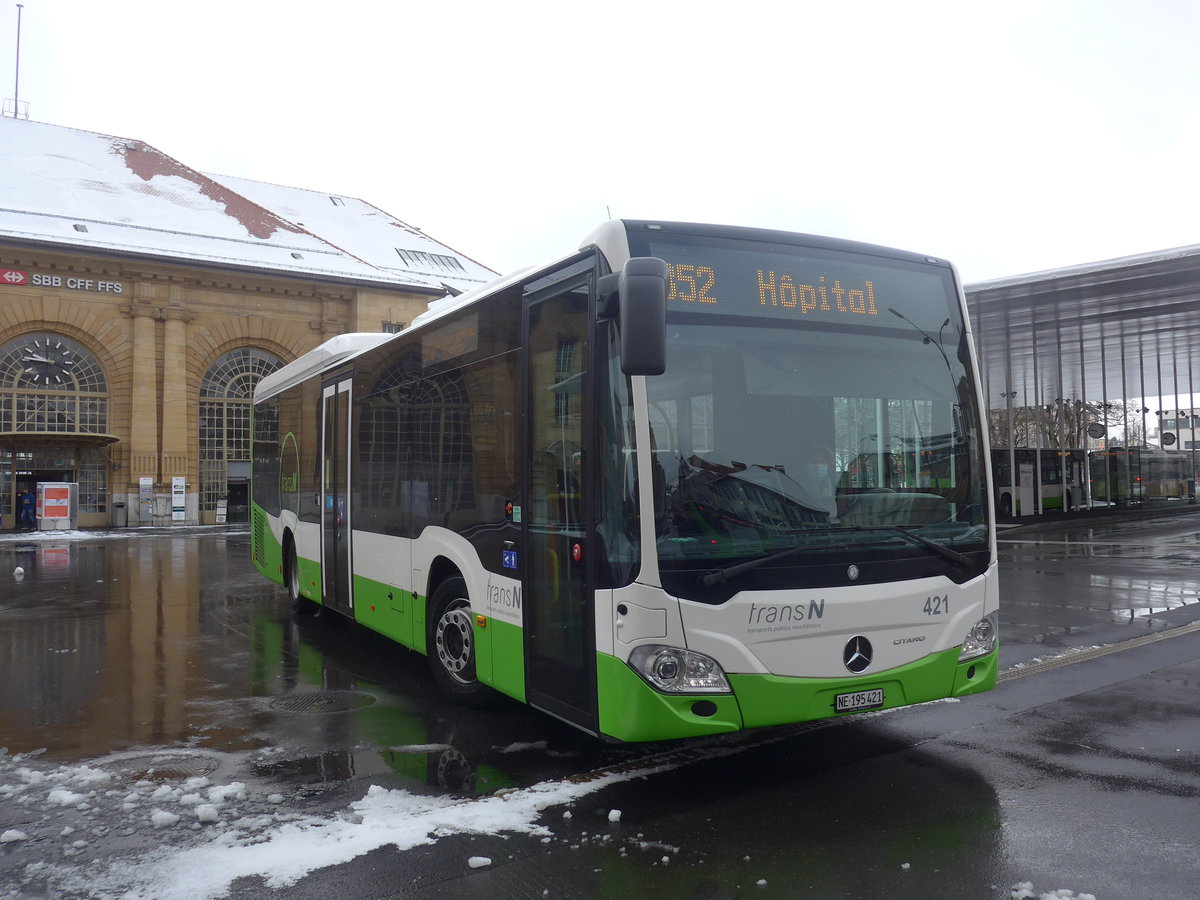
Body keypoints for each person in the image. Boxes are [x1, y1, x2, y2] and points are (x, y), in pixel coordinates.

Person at [799, 443, 838, 520]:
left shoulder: (835, 487)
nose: (818, 466)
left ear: (828, 466)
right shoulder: (795, 487)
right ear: (804, 465)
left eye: (822, 462)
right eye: (813, 462)